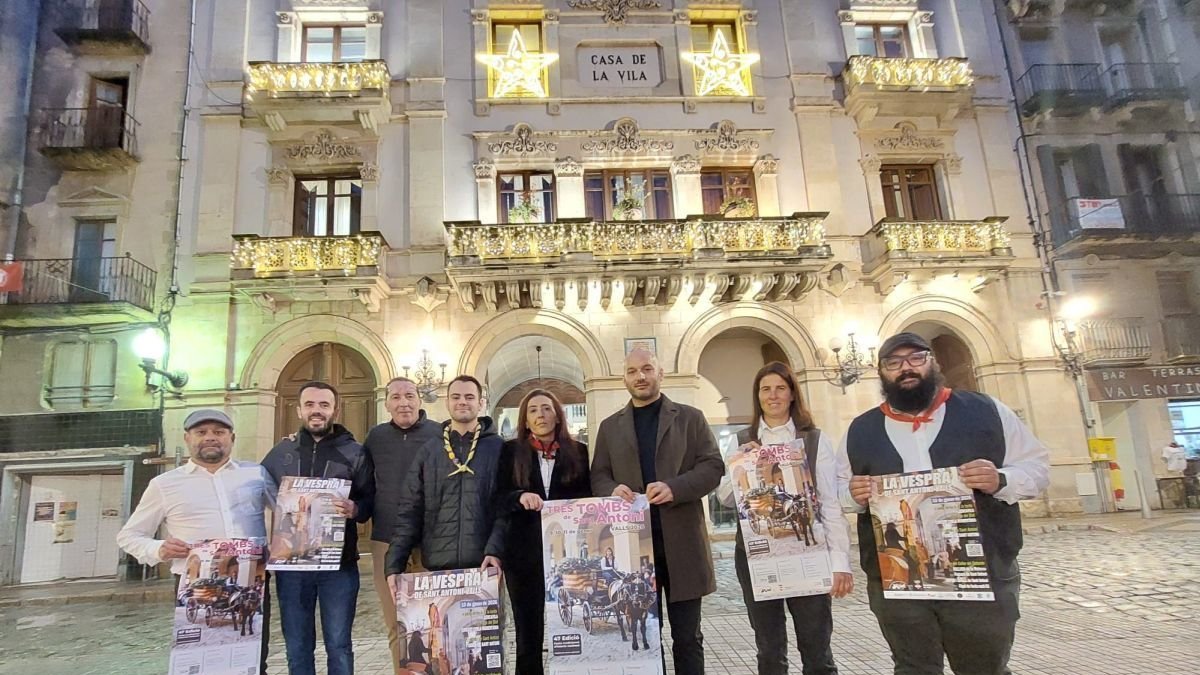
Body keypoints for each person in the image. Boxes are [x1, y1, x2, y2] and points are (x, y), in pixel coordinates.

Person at [839, 332, 1050, 675]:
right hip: (900, 580)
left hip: (981, 576)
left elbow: (1037, 468)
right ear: (881, 372)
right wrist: (853, 493)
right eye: (894, 363)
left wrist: (1000, 479)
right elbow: (840, 492)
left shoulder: (987, 411)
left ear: (933, 361)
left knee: (984, 668)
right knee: (913, 668)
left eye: (916, 358)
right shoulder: (860, 429)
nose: (906, 368)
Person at [591, 348, 724, 675]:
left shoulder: (690, 418)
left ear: (660, 373)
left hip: (683, 546)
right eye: (632, 371)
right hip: (634, 553)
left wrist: (675, 487)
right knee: (646, 638)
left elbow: (712, 467)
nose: (640, 376)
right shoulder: (609, 427)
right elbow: (599, 475)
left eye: (647, 369)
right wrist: (612, 489)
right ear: (624, 378)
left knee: (688, 637)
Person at [718, 361, 852, 675]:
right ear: (757, 396)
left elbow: (830, 504)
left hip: (809, 553)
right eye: (766, 389)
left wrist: (840, 562)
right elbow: (725, 499)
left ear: (792, 394)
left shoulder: (815, 439)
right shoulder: (740, 440)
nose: (773, 395)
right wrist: (741, 466)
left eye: (780, 388)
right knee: (768, 647)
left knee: (817, 646)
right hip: (756, 556)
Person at [116, 409, 276, 673]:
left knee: (253, 660)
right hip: (193, 583)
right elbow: (129, 536)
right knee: (201, 662)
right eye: (201, 432)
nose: (210, 437)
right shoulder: (164, 484)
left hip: (250, 581)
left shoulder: (256, 474)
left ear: (232, 438)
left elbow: (288, 511)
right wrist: (159, 548)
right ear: (187, 438)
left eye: (219, 432)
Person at [261, 381, 376, 675]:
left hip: (338, 566)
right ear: (299, 410)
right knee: (297, 646)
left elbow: (370, 500)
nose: (317, 411)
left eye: (324, 405)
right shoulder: (281, 452)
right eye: (310, 404)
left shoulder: (355, 453)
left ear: (335, 410)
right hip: (291, 568)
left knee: (339, 645)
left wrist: (355, 509)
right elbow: (260, 495)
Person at [495, 388, 591, 675]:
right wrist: (519, 497)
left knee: (574, 629)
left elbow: (588, 497)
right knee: (528, 633)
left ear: (558, 416)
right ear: (525, 420)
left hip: (567, 557)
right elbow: (498, 497)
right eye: (534, 410)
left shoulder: (578, 451)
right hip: (524, 555)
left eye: (547, 408)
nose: (541, 415)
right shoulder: (510, 451)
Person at [385, 375, 506, 593]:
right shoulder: (429, 450)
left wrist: (495, 550)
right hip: (438, 569)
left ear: (481, 403)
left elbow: (505, 507)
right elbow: (410, 510)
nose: (462, 402)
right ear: (447, 402)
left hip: (485, 565)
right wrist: (394, 564)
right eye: (456, 397)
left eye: (469, 397)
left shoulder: (499, 449)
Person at [363, 377, 442, 675]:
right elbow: (360, 478)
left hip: (430, 541)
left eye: (409, 395)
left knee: (431, 621)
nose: (403, 403)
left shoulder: (438, 434)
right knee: (396, 621)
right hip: (386, 539)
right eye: (396, 397)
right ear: (386, 403)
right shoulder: (376, 437)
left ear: (420, 399)